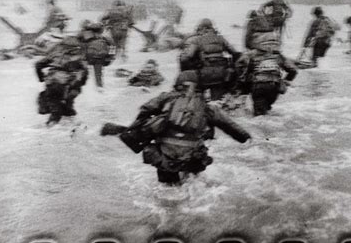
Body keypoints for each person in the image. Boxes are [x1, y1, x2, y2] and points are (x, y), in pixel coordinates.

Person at [112, 70, 251, 185]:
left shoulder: (165, 98)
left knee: (169, 189)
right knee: (191, 184)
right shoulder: (206, 107)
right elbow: (229, 125)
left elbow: (145, 110)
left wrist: (138, 128)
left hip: (164, 155)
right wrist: (245, 138)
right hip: (193, 156)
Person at [179, 18, 241, 100]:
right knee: (216, 100)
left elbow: (187, 58)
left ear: (202, 28)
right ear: (212, 28)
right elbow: (235, 53)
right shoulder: (221, 38)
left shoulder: (198, 39)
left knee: (198, 94)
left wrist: (191, 63)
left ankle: (199, 102)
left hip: (205, 75)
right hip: (221, 75)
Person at [35, 35, 88, 125]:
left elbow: (38, 64)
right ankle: (72, 124)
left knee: (54, 106)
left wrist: (41, 77)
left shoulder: (55, 54)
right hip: (69, 86)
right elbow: (85, 71)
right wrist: (80, 83)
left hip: (52, 83)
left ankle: (53, 126)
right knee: (68, 106)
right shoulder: (79, 57)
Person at [235, 47, 297, 116]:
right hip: (275, 86)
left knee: (259, 115)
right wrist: (285, 81)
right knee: (266, 110)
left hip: (259, 86)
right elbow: (293, 70)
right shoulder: (278, 56)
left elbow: (246, 75)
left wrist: (243, 90)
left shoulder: (253, 56)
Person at [77, 21, 115, 89]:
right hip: (100, 58)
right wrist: (110, 57)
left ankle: (82, 87)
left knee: (82, 72)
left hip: (88, 58)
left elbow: (78, 44)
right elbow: (112, 46)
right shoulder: (105, 37)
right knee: (98, 75)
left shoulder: (85, 36)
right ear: (101, 30)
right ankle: (99, 87)